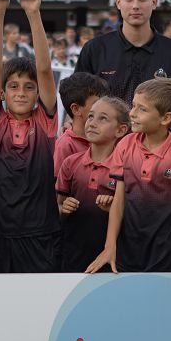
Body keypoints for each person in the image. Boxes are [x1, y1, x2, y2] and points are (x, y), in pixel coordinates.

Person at [86, 77, 171, 286]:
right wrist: (109, 247)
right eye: (133, 106)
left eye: (142, 109)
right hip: (127, 254)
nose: (132, 113)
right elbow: (119, 200)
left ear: (165, 118)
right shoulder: (125, 145)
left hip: (168, 257)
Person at [0, 0, 61, 273]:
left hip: (40, 230)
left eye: (28, 87)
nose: (22, 92)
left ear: (38, 93)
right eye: (13, 87)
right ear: (2, 94)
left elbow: (44, 69)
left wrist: (33, 13)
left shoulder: (46, 120)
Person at [74, 0, 171, 103]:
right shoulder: (94, 49)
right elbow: (78, 104)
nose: (135, 5)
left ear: (154, 2)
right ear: (118, 2)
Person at [56, 96, 130, 272]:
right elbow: (56, 209)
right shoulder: (70, 163)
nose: (92, 123)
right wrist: (63, 208)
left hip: (114, 261)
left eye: (103, 118)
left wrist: (114, 207)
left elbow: (136, 218)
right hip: (71, 258)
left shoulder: (127, 169)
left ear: (121, 130)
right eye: (90, 116)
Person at [54, 72, 109, 171]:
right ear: (76, 109)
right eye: (96, 103)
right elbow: (59, 183)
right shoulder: (65, 145)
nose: (103, 108)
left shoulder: (104, 137)